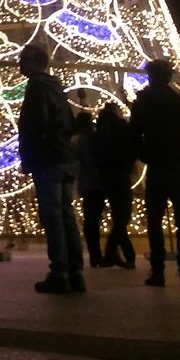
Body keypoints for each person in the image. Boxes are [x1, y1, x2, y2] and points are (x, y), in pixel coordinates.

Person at [17, 42, 85, 294]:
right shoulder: (56, 87)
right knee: (65, 215)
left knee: (53, 216)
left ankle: (60, 272)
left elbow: (37, 125)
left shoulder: (37, 88)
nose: (19, 64)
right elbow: (68, 122)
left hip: (48, 159)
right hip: (64, 158)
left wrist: (31, 154)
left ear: (37, 63)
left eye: (24, 59)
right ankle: (75, 272)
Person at [129, 58, 180, 289]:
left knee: (155, 220)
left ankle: (159, 270)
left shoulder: (144, 102)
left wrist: (143, 153)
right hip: (178, 164)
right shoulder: (179, 101)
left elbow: (134, 133)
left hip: (159, 165)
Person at [94, 102, 137, 268]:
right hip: (120, 174)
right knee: (124, 215)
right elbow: (130, 148)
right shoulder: (120, 127)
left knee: (119, 216)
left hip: (106, 176)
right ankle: (111, 251)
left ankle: (128, 256)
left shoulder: (100, 130)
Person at [72, 110, 105, 268]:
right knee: (93, 219)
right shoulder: (92, 140)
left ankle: (95, 254)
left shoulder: (77, 140)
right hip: (96, 182)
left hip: (86, 183)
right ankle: (97, 254)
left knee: (90, 220)